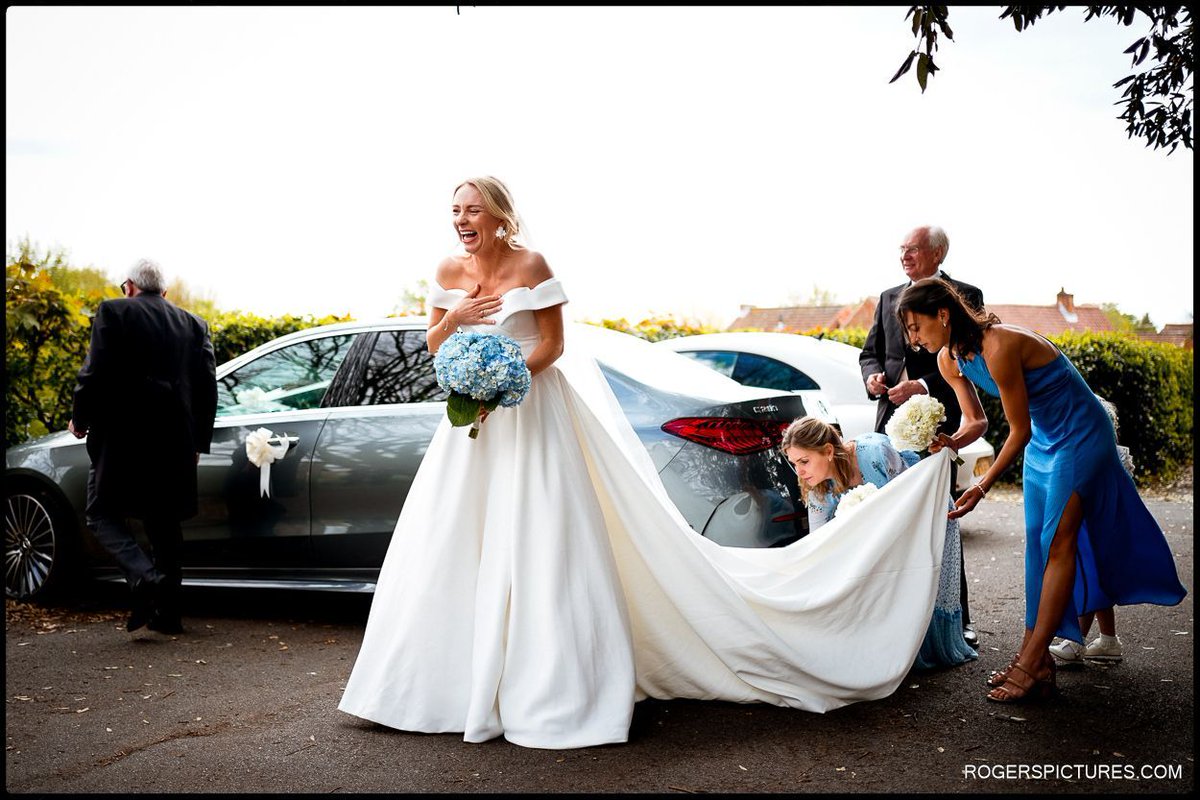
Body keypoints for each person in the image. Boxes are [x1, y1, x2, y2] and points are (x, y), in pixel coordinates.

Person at [338, 177, 964, 750]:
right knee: (453, 538)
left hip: (529, 410)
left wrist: (505, 380)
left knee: (541, 538)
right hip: (472, 424)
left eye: (472, 209)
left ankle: (552, 686)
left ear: (500, 216)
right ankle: (436, 686)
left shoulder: (534, 266)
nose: (461, 220)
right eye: (455, 211)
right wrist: (456, 321)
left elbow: (553, 346)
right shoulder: (448, 268)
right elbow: (433, 344)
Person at [895, 277, 1187, 703]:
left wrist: (982, 485)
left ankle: (1032, 660)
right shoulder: (948, 360)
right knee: (1038, 546)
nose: (913, 338)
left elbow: (1019, 429)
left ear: (942, 314)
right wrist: (950, 442)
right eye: (908, 331)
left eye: (916, 326)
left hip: (1079, 434)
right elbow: (976, 422)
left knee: (1057, 544)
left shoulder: (1000, 345)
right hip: (1044, 442)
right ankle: (1039, 662)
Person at [69, 258, 217, 635]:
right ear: (164, 293)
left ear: (130, 286)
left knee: (100, 512)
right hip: (176, 443)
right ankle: (168, 616)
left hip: (123, 439)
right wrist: (198, 441)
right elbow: (207, 388)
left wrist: (80, 419)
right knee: (165, 524)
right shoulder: (194, 324)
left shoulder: (114, 312)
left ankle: (143, 575)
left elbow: (93, 372)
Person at [859, 225, 984, 649]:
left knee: (941, 518)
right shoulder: (886, 298)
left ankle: (955, 616)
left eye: (913, 249)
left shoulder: (965, 294)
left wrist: (924, 386)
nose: (905, 256)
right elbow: (870, 352)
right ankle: (894, 618)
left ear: (937, 253)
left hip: (938, 424)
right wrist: (873, 377)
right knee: (888, 517)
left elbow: (961, 358)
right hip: (889, 423)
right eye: (902, 250)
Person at [782, 416, 977, 671]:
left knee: (919, 587)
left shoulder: (874, 452)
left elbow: (916, 496)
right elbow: (820, 541)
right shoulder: (817, 488)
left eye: (804, 461)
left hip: (925, 521)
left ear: (828, 451)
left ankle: (925, 647)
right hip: (880, 541)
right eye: (794, 463)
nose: (800, 471)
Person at [1049, 397, 1132, 664]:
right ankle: (1108, 640)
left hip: (1092, 530)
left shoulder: (1094, 459)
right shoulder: (1111, 456)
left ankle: (1075, 643)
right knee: (1097, 583)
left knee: (1086, 581)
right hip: (1102, 530)